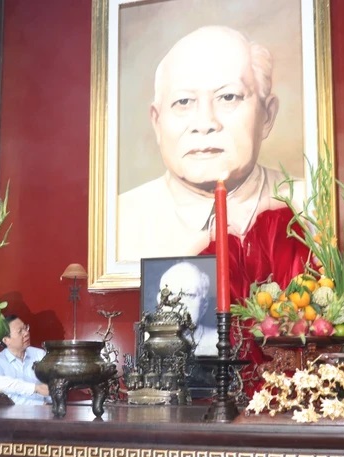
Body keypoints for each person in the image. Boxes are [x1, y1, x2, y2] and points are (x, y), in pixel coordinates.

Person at [117, 25, 304, 261]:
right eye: (183, 101)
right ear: (157, 122)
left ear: (267, 115)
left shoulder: (311, 206)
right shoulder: (119, 222)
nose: (205, 123)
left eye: (228, 97)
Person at [0, 315, 51, 405]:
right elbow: (6, 397)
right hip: (13, 413)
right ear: (6, 340)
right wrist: (36, 390)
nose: (26, 333)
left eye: (25, 328)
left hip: (47, 410)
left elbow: (52, 387)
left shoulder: (40, 355)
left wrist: (48, 404)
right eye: (20, 331)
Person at [158, 261, 217, 357]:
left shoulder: (217, 341)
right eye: (171, 294)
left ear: (204, 305)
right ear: (159, 301)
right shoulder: (147, 339)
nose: (178, 303)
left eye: (189, 295)